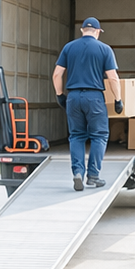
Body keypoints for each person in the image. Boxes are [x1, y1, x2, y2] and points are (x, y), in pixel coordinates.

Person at [53, 17, 122, 192]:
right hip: (94, 97)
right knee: (99, 135)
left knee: (76, 136)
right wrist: (118, 99)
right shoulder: (104, 49)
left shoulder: (69, 47)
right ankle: (93, 176)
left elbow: (57, 74)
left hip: (73, 97)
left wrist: (60, 94)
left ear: (82, 30)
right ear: (98, 32)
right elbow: (113, 77)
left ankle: (77, 172)